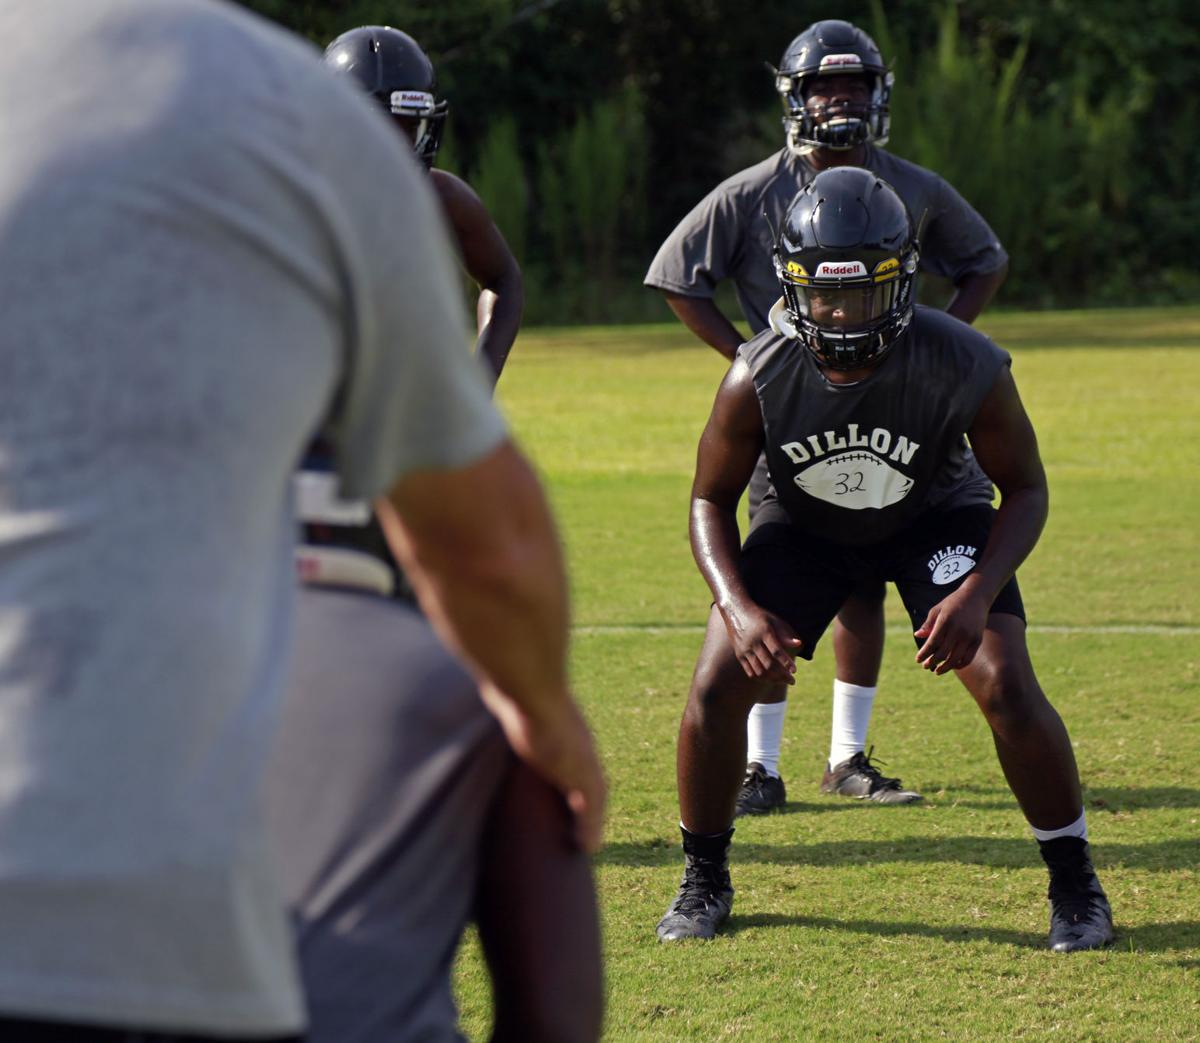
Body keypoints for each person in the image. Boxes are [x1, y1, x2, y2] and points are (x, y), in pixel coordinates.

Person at [0, 1, 603, 1040]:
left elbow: (501, 280)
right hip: (145, 927)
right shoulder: (282, 122)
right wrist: (547, 720)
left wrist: (466, 381)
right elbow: (492, 549)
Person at [654, 167, 1112, 955]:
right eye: (824, 294)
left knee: (1004, 679)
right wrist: (739, 606)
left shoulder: (965, 359)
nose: (838, 313)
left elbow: (1026, 489)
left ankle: (1074, 879)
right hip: (804, 525)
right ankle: (704, 875)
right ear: (792, 285)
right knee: (717, 680)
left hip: (934, 516)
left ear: (902, 283)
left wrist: (977, 592)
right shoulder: (756, 372)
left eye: (861, 292)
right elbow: (707, 501)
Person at [266, 26, 602, 1042]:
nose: (386, 141)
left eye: (404, 123)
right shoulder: (291, 196)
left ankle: (435, 797)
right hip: (291, 435)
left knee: (425, 623)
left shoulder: (440, 200)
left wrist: (466, 379)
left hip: (401, 440)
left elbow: (506, 280)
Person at [645, 19, 1010, 814]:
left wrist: (947, 348)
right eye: (821, 85)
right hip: (793, 421)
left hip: (904, 420)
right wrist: (748, 362)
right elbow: (676, 275)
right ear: (794, 97)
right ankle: (760, 767)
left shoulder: (910, 184)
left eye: (851, 84)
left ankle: (845, 756)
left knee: (864, 592)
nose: (837, 98)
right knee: (781, 590)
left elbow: (983, 259)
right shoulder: (752, 191)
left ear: (879, 94)